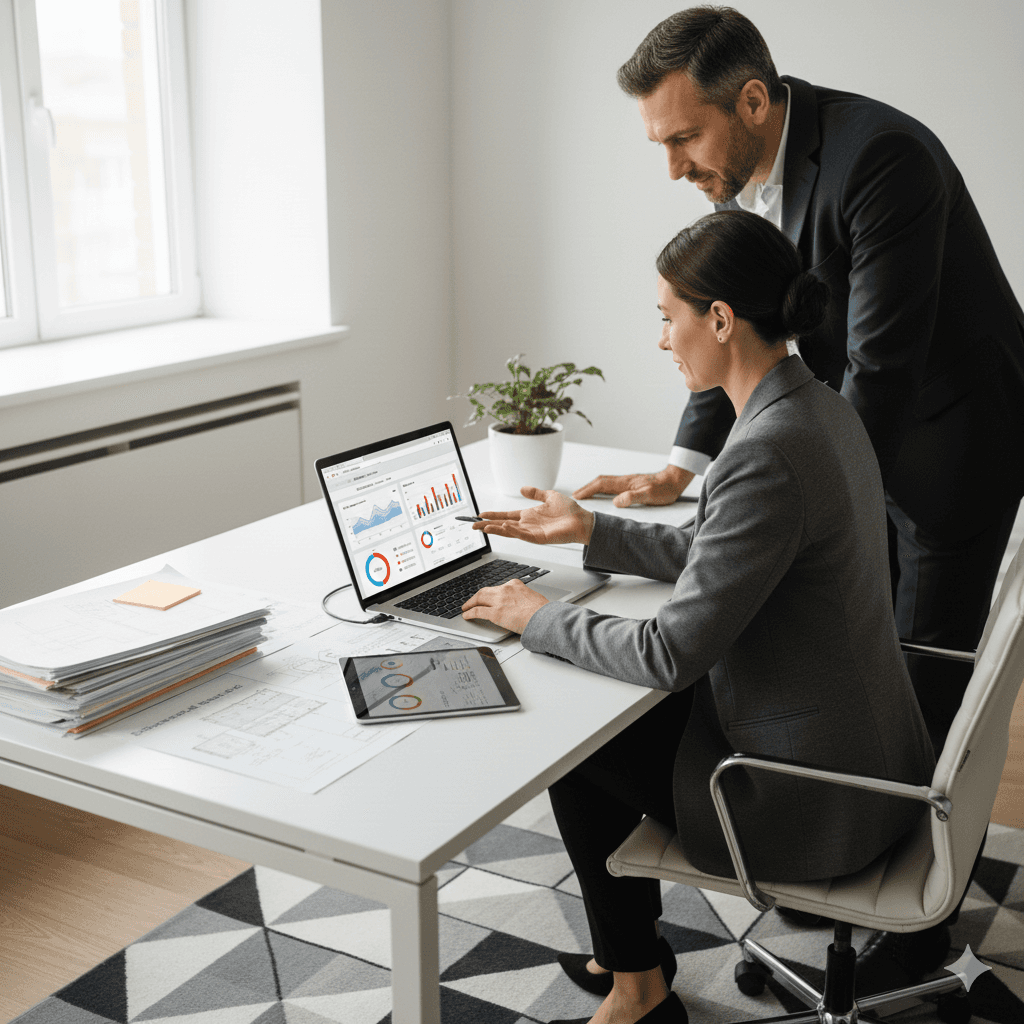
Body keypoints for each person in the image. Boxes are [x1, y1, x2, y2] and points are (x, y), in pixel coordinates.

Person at [461, 210, 935, 1024]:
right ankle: (627, 956)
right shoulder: (817, 410)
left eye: (667, 317)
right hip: (876, 758)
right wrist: (593, 530)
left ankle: (637, 983)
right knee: (611, 714)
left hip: (807, 794)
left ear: (719, 319)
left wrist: (534, 614)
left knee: (578, 745)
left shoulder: (766, 449)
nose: (662, 339)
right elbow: (737, 560)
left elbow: (669, 652)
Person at [576, 5, 1024, 760]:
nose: (675, 168)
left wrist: (804, 498)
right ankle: (840, 800)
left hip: (951, 447)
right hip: (858, 430)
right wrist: (682, 467)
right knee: (851, 650)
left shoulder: (882, 156)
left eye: (685, 138)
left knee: (920, 683)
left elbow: (880, 368)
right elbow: (733, 322)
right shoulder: (734, 169)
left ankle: (923, 858)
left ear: (753, 100)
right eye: (663, 143)